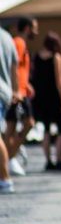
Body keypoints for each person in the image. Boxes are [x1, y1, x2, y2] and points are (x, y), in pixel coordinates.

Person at [4, 17, 37, 176]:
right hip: (18, 93)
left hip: (21, 90)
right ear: (27, 28)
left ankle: (9, 157)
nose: (36, 31)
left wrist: (26, 84)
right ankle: (8, 158)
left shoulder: (19, 42)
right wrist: (17, 89)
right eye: (34, 28)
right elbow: (13, 66)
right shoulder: (18, 42)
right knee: (26, 123)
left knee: (11, 128)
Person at [31, 32, 61, 170]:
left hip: (41, 98)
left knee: (46, 129)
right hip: (54, 97)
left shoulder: (36, 56)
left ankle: (48, 160)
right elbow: (59, 81)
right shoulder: (56, 57)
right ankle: (58, 158)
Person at [0, 27, 19, 193]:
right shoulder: (7, 37)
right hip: (5, 91)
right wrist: (16, 90)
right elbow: (15, 67)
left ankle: (5, 179)